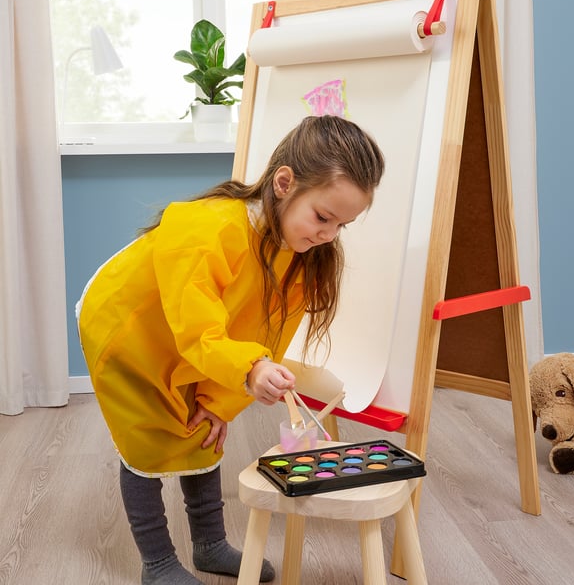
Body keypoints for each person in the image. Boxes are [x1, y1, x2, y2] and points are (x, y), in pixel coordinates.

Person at [76, 115, 385, 585]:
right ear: (284, 183)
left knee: (202, 428)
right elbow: (199, 328)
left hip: (189, 334)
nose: (328, 234)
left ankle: (209, 543)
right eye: (323, 217)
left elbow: (262, 334)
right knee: (150, 439)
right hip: (127, 328)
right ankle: (156, 563)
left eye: (342, 225)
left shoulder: (301, 256)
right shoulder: (210, 230)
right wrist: (247, 370)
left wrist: (222, 400)